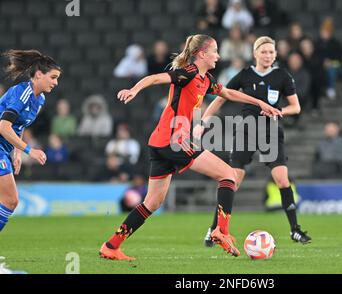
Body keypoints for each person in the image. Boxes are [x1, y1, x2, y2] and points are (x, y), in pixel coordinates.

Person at [99, 34, 282, 261]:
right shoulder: (188, 73)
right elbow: (156, 78)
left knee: (152, 202)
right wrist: (134, 90)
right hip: (173, 141)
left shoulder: (206, 79)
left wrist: (260, 103)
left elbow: (228, 93)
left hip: (159, 143)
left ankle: (111, 245)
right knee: (228, 174)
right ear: (202, 54)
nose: (218, 55)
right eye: (215, 51)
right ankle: (221, 231)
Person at [199, 36, 311, 247]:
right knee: (231, 181)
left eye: (271, 52)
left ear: (276, 55)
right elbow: (221, 97)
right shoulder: (245, 75)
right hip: (246, 132)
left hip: (271, 132)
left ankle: (295, 230)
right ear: (255, 54)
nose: (268, 55)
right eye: (264, 51)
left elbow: (296, 107)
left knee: (282, 180)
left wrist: (280, 111)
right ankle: (214, 230)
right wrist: (203, 122)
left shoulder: (282, 76)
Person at [0, 49, 61, 232]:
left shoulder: (39, 99)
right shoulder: (22, 93)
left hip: (4, 149)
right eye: (53, 77)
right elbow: (3, 126)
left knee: (9, 200)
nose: (56, 82)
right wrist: (29, 150)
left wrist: (16, 152)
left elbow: (20, 125)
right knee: (10, 200)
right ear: (39, 74)